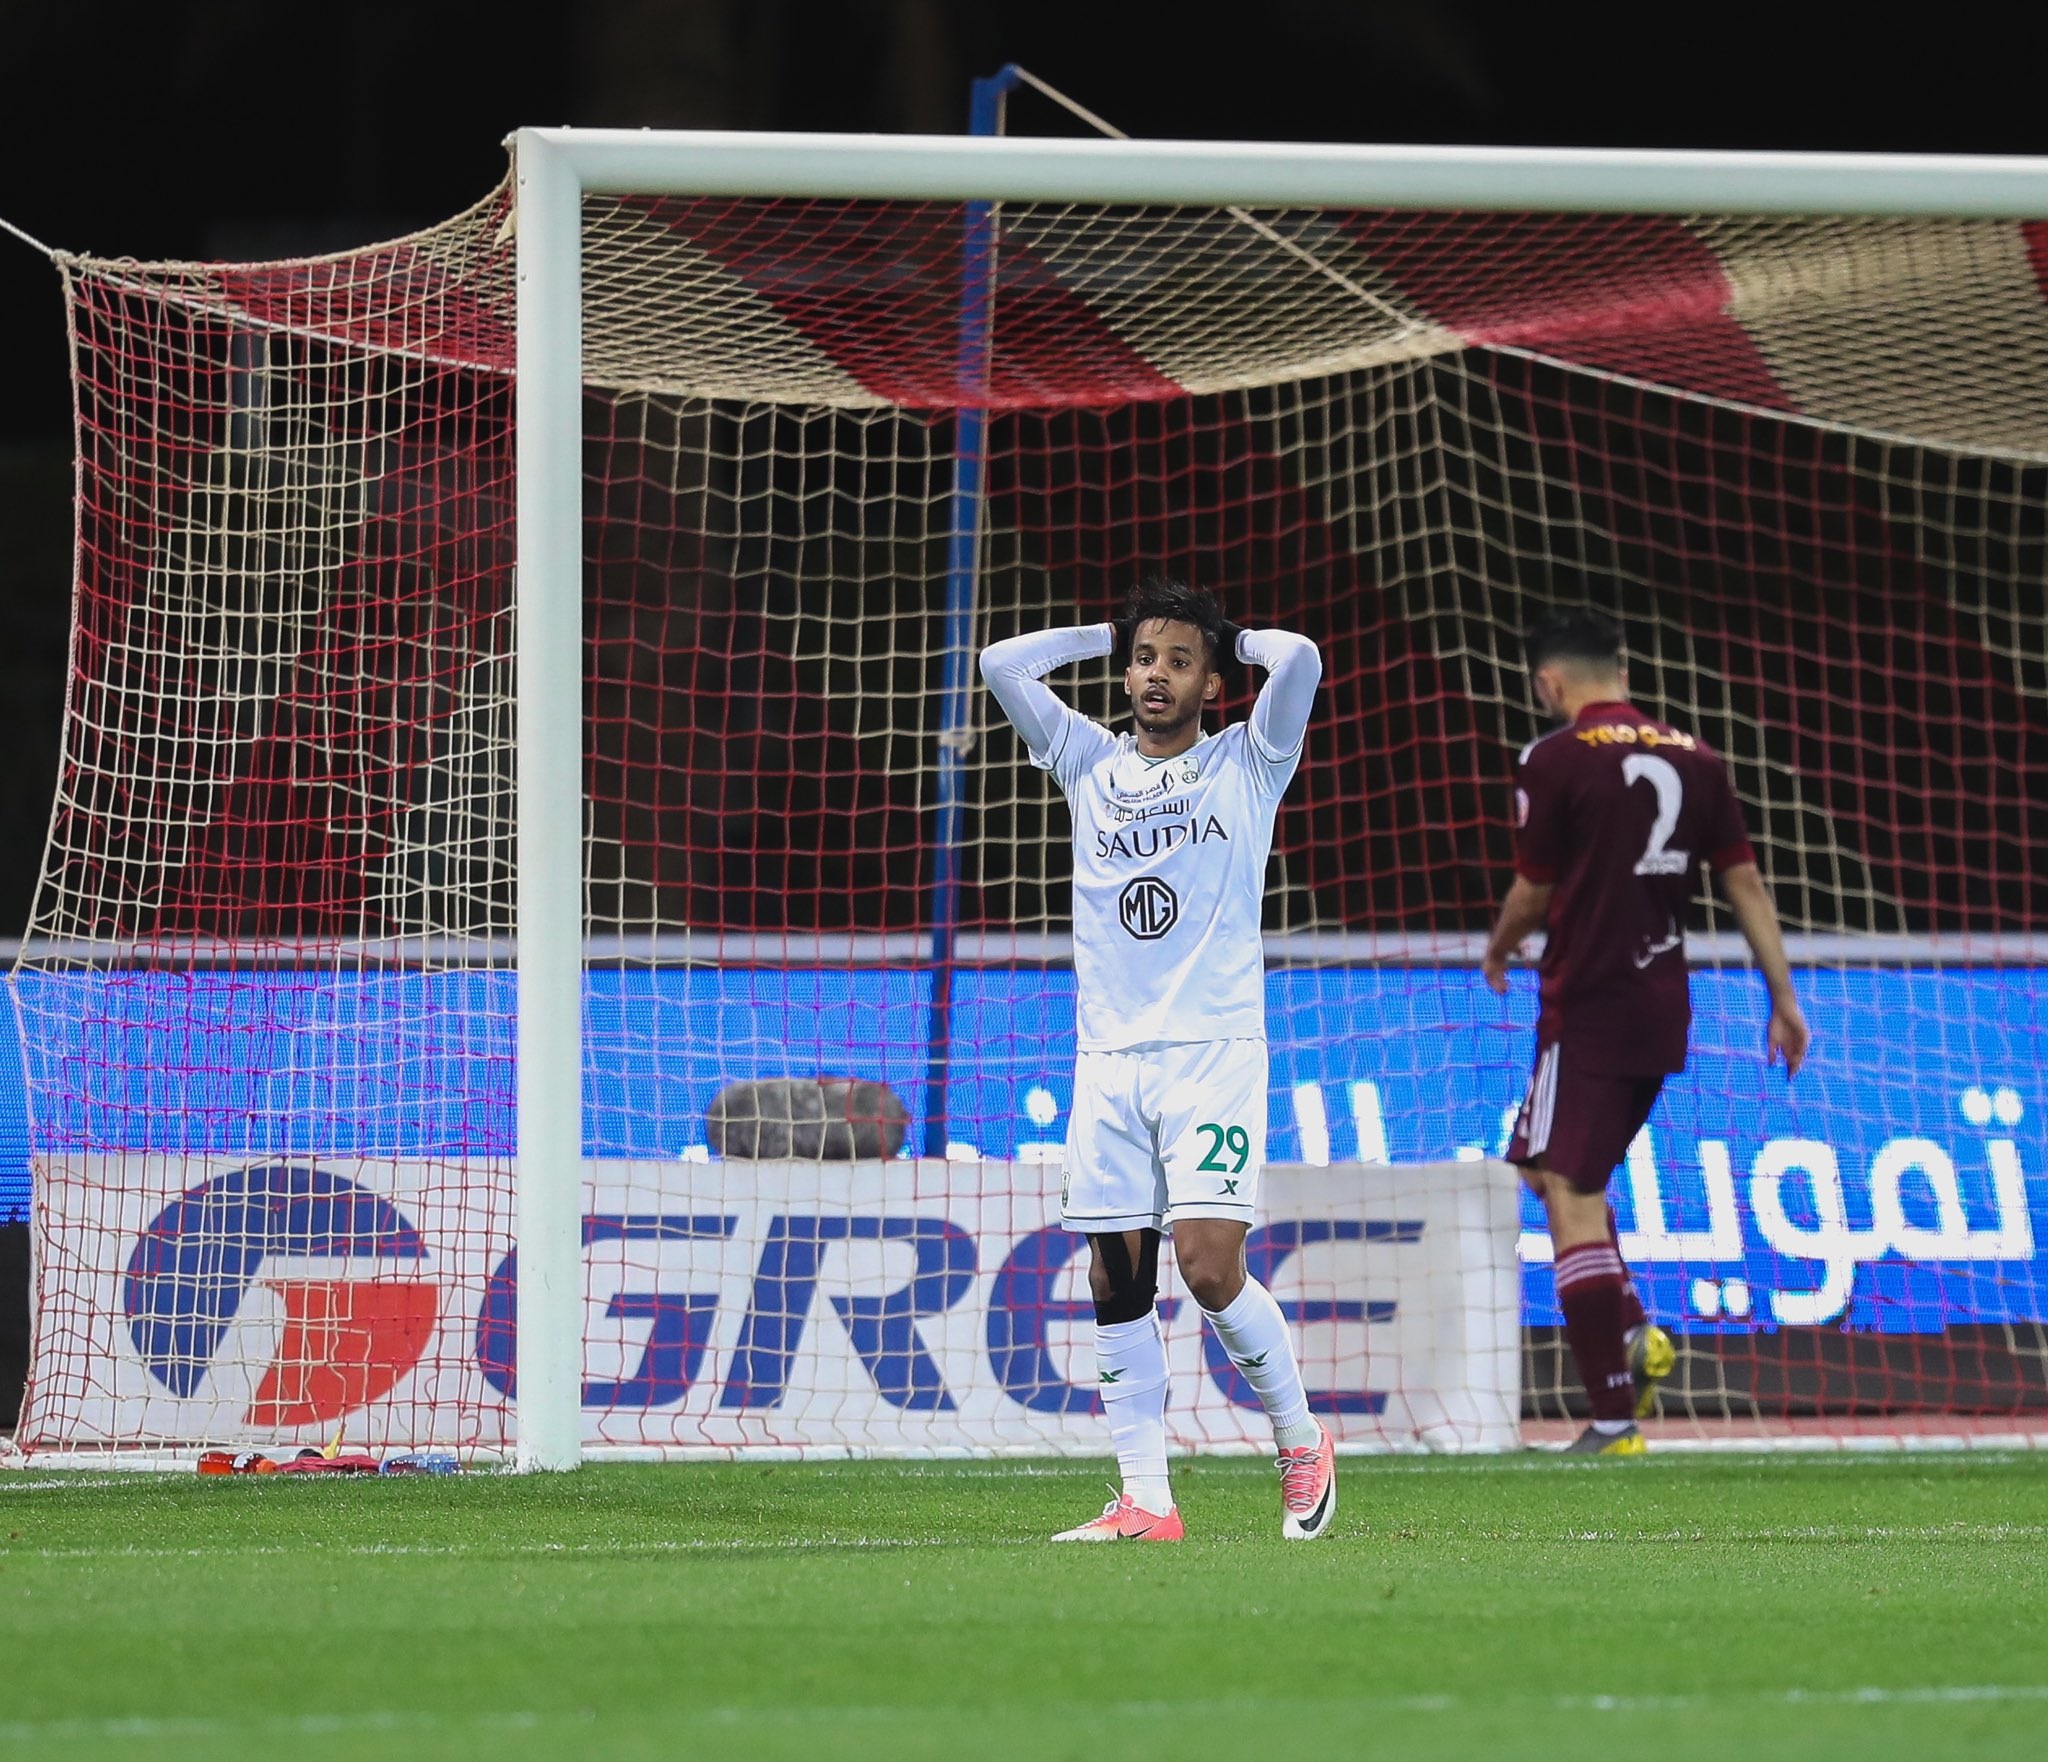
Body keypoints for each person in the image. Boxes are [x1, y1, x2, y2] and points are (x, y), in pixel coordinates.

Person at [979, 579, 1329, 1539]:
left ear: (1214, 682)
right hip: (1108, 1055)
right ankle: (1147, 1499)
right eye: (1143, 659)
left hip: (1211, 1052)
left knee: (1209, 1270)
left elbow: (1298, 658)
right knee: (1116, 1278)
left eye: (1179, 662)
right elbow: (999, 665)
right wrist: (1112, 628)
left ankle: (1300, 1443)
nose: (1155, 675)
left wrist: (1232, 635)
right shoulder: (1085, 759)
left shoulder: (1248, 764)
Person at [1482, 609, 1810, 1455]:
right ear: (1619, 671)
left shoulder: (1550, 760)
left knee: (1572, 1195)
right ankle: (1632, 1333)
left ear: (1549, 683)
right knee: (1541, 1170)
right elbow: (1745, 887)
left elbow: (1532, 888)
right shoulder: (1698, 758)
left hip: (1585, 1008)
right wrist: (1785, 1001)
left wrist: (1499, 947)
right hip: (1662, 1011)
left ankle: (1615, 1417)